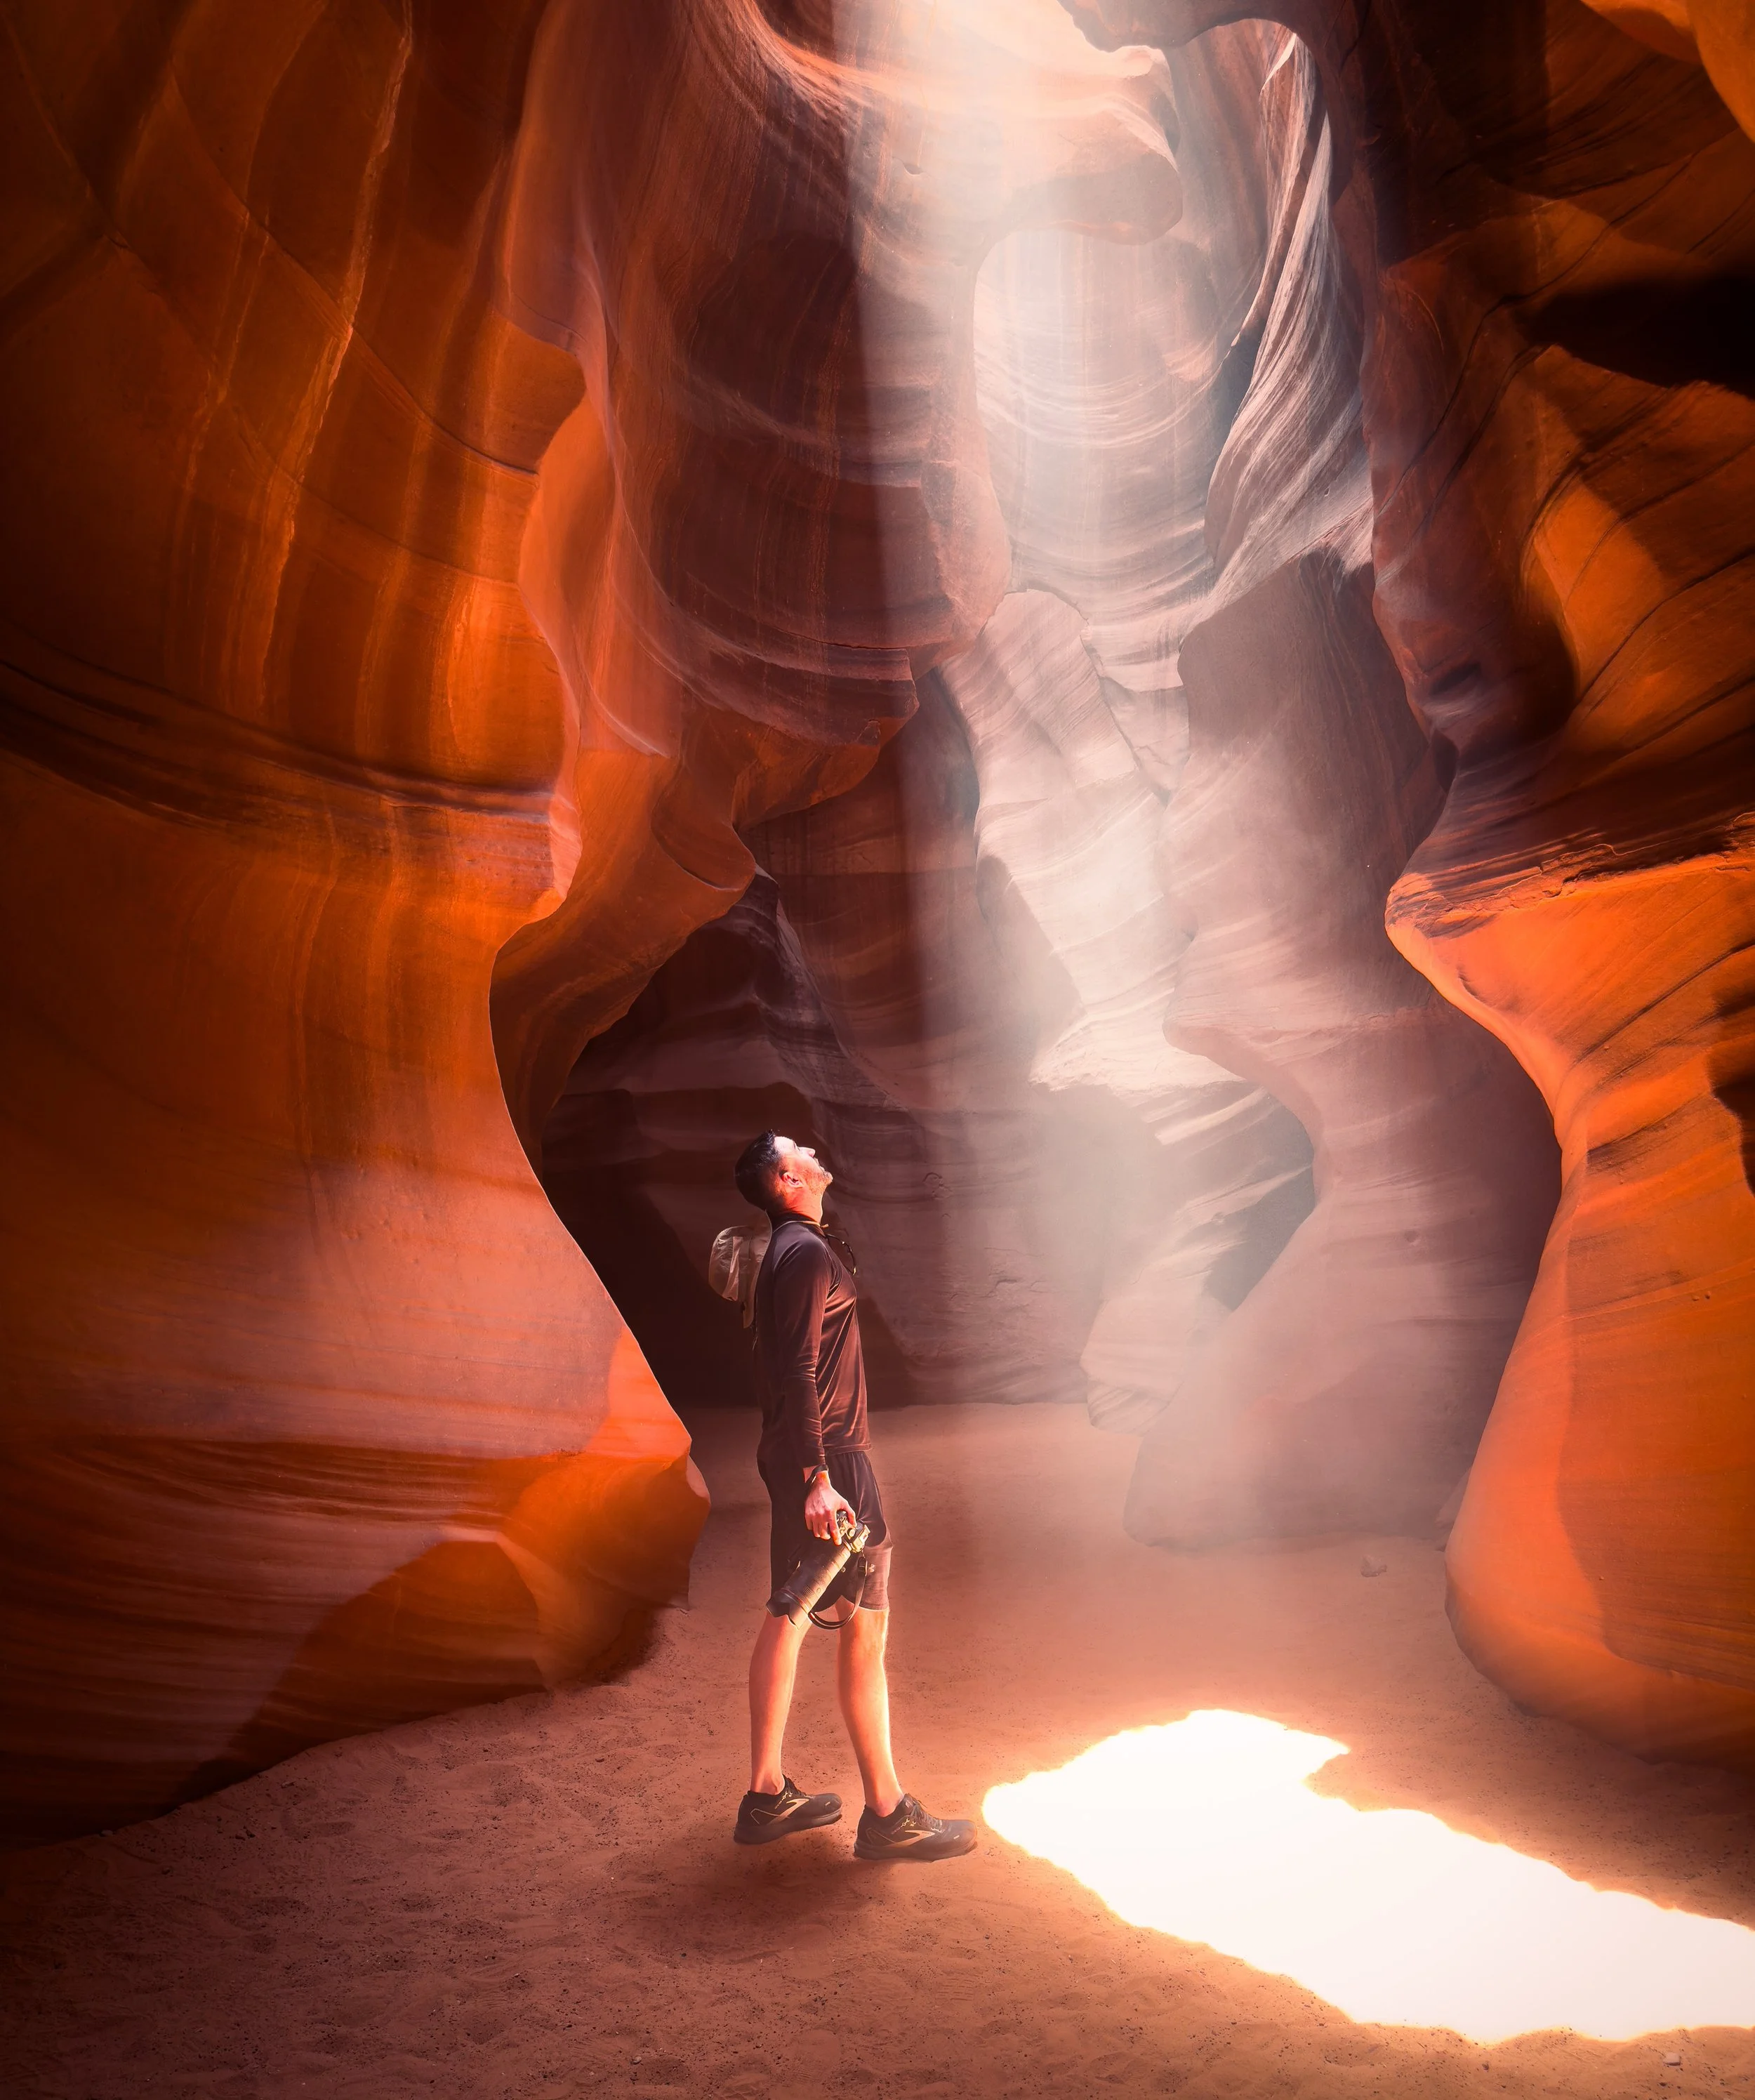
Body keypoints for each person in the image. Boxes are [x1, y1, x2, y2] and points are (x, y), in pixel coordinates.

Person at [730, 1130, 976, 1864]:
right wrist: (817, 1477)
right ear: (786, 1178)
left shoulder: (793, 1247)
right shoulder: (801, 1253)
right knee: (832, 1620)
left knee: (803, 1612)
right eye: (797, 1149)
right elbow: (799, 1370)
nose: (812, 1148)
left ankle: (773, 1794)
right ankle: (884, 1813)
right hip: (831, 1459)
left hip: (813, 1454)